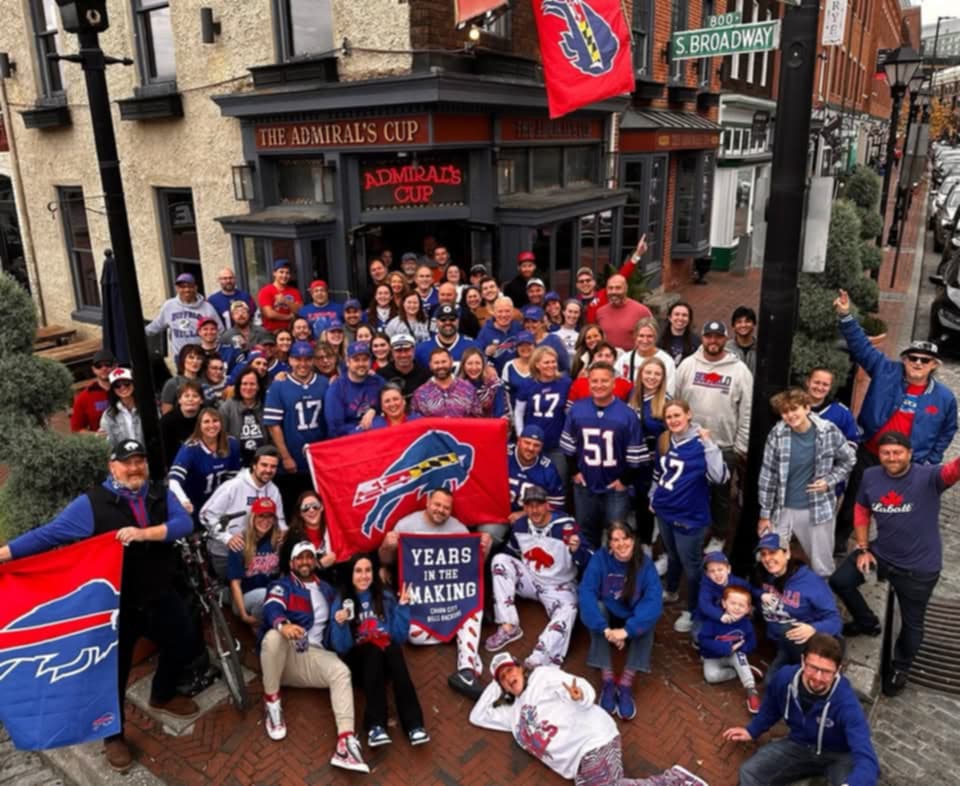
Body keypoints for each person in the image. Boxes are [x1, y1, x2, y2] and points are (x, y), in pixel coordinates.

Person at [0, 440, 202, 772]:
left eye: (140, 461)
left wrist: (144, 533)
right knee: (112, 675)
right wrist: (4, 555)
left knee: (185, 641)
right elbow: (47, 535)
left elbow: (184, 523)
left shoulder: (159, 493)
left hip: (161, 594)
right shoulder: (91, 505)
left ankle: (162, 694)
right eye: (127, 462)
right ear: (112, 467)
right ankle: (113, 735)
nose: (134, 468)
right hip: (115, 609)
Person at [829, 431, 960, 696]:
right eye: (886, 453)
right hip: (882, 556)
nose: (891, 458)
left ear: (909, 454)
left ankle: (901, 667)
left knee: (912, 624)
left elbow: (954, 469)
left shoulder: (930, 477)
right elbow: (862, 509)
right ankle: (867, 622)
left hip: (919, 570)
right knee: (840, 580)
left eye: (897, 453)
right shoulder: (871, 476)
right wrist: (864, 548)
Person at [832, 288, 957, 554]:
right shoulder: (886, 370)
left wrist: (930, 459)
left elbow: (948, 430)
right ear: (904, 359)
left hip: (907, 464)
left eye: (925, 360)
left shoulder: (945, 398)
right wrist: (846, 315)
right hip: (870, 452)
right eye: (913, 358)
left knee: (896, 507)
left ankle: (888, 552)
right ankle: (840, 539)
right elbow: (861, 346)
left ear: (934, 365)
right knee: (855, 497)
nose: (918, 363)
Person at [470, 652, 702, 786]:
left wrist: (580, 695)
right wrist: (495, 682)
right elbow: (478, 716)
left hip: (593, 741)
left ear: (521, 669)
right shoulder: (511, 716)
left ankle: (675, 781)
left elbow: (578, 687)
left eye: (510, 670)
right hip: (577, 767)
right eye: (503, 677)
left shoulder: (541, 677)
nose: (508, 676)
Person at [258, 542, 370, 773]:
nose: (305, 562)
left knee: (341, 672)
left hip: (314, 655)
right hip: (285, 656)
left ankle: (345, 744)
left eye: (309, 557)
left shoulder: (328, 590)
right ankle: (272, 704)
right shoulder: (282, 585)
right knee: (272, 636)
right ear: (292, 563)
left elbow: (355, 595)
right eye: (300, 558)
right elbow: (272, 607)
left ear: (315, 562)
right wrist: (283, 625)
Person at [722, 633, 880, 786]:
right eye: (813, 667)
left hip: (839, 756)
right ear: (803, 661)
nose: (818, 677)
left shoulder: (848, 705)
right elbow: (771, 708)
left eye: (826, 672)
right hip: (799, 745)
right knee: (750, 772)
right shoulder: (784, 678)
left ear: (838, 670)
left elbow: (867, 759)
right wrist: (752, 730)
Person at [377, 488, 490, 699]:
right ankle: (455, 633)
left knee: (474, 606)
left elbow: (472, 569)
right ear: (428, 502)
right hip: (419, 598)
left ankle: (466, 670)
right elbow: (386, 561)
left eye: (446, 507)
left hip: (450, 596)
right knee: (414, 636)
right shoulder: (406, 525)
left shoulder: (459, 529)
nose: (441, 510)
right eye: (437, 505)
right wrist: (387, 545)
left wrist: (484, 550)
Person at [330, 554, 430, 747]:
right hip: (359, 665)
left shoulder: (384, 596)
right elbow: (341, 647)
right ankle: (376, 725)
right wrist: (340, 624)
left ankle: (414, 725)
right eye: (358, 571)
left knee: (391, 647)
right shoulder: (343, 599)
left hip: (383, 662)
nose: (364, 576)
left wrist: (402, 607)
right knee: (372, 648)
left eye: (368, 570)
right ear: (350, 574)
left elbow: (399, 637)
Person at [486, 486, 589, 667]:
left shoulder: (566, 525)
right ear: (524, 507)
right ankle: (509, 626)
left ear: (547, 505)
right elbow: (510, 552)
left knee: (570, 608)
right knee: (500, 560)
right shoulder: (520, 525)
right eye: (529, 505)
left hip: (559, 585)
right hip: (531, 580)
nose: (534, 510)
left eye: (539, 505)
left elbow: (590, 557)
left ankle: (540, 657)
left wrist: (577, 549)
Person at [757, 388, 856, 576]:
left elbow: (849, 460)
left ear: (807, 408)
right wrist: (764, 514)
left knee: (822, 565)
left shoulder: (828, 431)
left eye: (794, 409)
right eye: (785, 412)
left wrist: (829, 480)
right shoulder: (777, 435)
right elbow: (767, 475)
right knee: (770, 559)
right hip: (782, 508)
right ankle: (776, 598)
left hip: (817, 508)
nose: (790, 415)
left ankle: (822, 600)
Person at [675, 319, 753, 552]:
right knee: (691, 491)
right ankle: (692, 531)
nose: (713, 341)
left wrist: (741, 446)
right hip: (691, 443)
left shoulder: (739, 371)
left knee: (721, 497)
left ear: (725, 340)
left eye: (718, 337)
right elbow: (675, 401)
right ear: (703, 338)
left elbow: (747, 410)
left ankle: (719, 535)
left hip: (724, 446)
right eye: (709, 336)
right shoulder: (688, 365)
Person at [652, 400, 729, 634]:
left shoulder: (700, 443)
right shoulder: (666, 440)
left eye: (677, 415)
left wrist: (709, 443)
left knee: (692, 564)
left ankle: (692, 609)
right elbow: (659, 473)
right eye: (669, 417)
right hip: (665, 509)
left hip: (690, 514)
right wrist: (652, 497)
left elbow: (720, 477)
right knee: (673, 555)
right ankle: (672, 590)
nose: (673, 420)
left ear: (688, 415)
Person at [578, 522, 662, 720]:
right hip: (608, 617)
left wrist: (628, 631)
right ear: (610, 544)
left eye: (625, 538)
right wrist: (606, 630)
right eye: (615, 540)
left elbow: (653, 600)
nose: (621, 544)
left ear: (633, 540)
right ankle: (607, 680)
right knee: (596, 609)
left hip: (631, 617)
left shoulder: (645, 564)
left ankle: (625, 683)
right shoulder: (600, 559)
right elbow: (587, 592)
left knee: (647, 621)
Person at [560, 362, 647, 548]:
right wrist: (575, 472)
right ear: (588, 383)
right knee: (585, 533)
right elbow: (569, 448)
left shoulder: (627, 415)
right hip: (585, 485)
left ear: (614, 383)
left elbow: (636, 456)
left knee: (616, 535)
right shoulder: (577, 410)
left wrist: (624, 480)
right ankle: (589, 572)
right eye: (595, 381)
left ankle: (614, 574)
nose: (599, 385)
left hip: (614, 488)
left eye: (604, 381)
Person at [753, 532, 842, 678]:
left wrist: (814, 629)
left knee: (774, 683)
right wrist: (759, 595)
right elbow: (753, 589)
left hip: (798, 644)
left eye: (773, 552)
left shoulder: (811, 583)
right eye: (763, 554)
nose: (768, 559)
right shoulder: (763, 573)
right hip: (774, 640)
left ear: (787, 553)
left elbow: (835, 621)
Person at [200, 446, 286, 579]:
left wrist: (283, 531)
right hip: (225, 552)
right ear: (254, 465)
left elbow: (279, 519)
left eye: (273, 466)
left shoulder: (273, 490)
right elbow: (206, 516)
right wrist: (227, 538)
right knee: (249, 587)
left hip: (255, 552)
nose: (268, 470)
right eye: (264, 465)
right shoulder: (233, 486)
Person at [264, 341, 329, 512]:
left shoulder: (324, 383)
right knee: (293, 507)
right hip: (292, 459)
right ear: (290, 360)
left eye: (307, 359)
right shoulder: (279, 386)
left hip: (318, 459)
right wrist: (285, 457)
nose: (302, 364)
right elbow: (273, 425)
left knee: (318, 506)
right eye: (297, 359)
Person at [168, 406, 242, 524]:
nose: (211, 425)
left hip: (218, 504)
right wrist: (184, 500)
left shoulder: (231, 444)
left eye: (215, 421)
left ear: (221, 423)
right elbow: (173, 480)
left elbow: (233, 479)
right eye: (206, 421)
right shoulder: (190, 448)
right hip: (194, 503)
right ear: (199, 425)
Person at [628, 357, 670, 558]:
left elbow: (668, 440)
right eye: (648, 372)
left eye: (657, 374)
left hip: (651, 464)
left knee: (648, 507)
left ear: (663, 378)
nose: (652, 377)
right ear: (640, 374)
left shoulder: (665, 403)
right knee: (633, 505)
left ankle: (650, 547)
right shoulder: (631, 396)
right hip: (629, 462)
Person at [697, 585, 760, 713]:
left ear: (748, 609)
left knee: (740, 657)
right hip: (713, 657)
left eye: (741, 605)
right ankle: (740, 671)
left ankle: (751, 691)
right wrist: (726, 648)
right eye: (733, 603)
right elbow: (703, 640)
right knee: (711, 677)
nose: (737, 607)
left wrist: (741, 647)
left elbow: (752, 642)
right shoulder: (714, 621)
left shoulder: (746, 624)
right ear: (724, 604)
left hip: (735, 654)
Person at [513, 346, 572, 475]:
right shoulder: (527, 384)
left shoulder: (565, 383)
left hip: (556, 443)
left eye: (553, 361)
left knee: (559, 479)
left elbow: (571, 412)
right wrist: (521, 435)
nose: (551, 365)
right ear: (537, 365)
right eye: (546, 362)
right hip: (532, 444)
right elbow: (518, 412)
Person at [228, 496, 282, 628]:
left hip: (271, 596)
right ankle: (258, 631)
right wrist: (243, 615)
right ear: (253, 518)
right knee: (265, 595)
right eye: (261, 516)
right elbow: (235, 583)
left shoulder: (277, 541)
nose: (265, 521)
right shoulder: (240, 542)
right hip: (243, 599)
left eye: (269, 516)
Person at [146, 272, 223, 359]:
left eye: (190, 286)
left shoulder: (207, 307)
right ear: (177, 288)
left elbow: (220, 331)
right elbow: (157, 325)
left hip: (201, 356)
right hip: (180, 357)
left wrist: (212, 349)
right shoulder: (169, 306)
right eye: (182, 287)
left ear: (196, 287)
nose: (186, 290)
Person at [576, 236, 646, 324]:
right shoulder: (574, 302)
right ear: (577, 285)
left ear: (594, 282)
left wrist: (637, 254)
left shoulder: (604, 294)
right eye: (581, 281)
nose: (585, 283)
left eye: (588, 280)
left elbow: (623, 274)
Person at [325, 341, 384, 436]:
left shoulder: (378, 382)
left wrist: (373, 410)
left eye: (365, 359)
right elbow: (335, 428)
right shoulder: (337, 388)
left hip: (377, 437)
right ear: (348, 362)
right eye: (356, 360)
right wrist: (362, 428)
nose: (361, 363)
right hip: (349, 441)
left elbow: (390, 410)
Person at [507, 425, 566, 518]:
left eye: (536, 445)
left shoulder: (548, 469)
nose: (531, 448)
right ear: (518, 441)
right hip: (498, 513)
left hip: (531, 518)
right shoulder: (502, 454)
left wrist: (525, 514)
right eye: (527, 442)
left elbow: (556, 504)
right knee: (491, 531)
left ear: (542, 447)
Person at [279, 490, 338, 578]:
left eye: (315, 506)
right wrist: (319, 565)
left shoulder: (333, 531)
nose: (311, 510)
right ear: (300, 513)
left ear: (322, 507)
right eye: (305, 508)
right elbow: (288, 570)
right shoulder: (293, 537)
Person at [411, 347, 482, 418]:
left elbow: (477, 418)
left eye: (444, 362)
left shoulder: (468, 388)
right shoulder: (420, 394)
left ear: (451, 362)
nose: (440, 366)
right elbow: (417, 423)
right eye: (436, 363)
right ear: (430, 365)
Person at [614, 317, 676, 396]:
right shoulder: (625, 359)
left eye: (649, 336)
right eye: (641, 336)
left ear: (656, 337)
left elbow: (669, 392)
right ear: (635, 336)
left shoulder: (666, 361)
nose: (645, 340)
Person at [219, 367, 267, 466]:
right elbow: (221, 437)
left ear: (258, 386)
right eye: (244, 383)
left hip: (263, 460)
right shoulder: (227, 407)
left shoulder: (267, 405)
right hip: (235, 460)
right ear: (238, 385)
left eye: (252, 384)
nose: (248, 388)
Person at [594, 274, 653, 351]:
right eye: (610, 288)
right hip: (606, 359)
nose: (613, 291)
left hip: (632, 360)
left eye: (618, 288)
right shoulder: (600, 312)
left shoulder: (642, 311)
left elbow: (652, 338)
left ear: (626, 289)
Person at [415, 304, 478, 370]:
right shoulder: (421, 349)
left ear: (458, 321)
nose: (448, 323)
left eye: (452, 319)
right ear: (436, 322)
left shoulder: (473, 346)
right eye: (443, 320)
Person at [159, 381, 204, 470]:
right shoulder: (166, 421)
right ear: (179, 400)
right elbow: (164, 454)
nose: (190, 399)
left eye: (195, 396)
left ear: (201, 400)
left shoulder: (207, 419)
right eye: (186, 396)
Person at [376, 333, 431, 402]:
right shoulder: (381, 375)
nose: (403, 355)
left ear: (413, 350)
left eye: (407, 350)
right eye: (398, 351)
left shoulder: (426, 375)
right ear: (392, 352)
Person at [70, 349, 116, 432]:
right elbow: (76, 429)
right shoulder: (84, 397)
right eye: (99, 366)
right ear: (93, 369)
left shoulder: (125, 389)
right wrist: (95, 436)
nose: (104, 368)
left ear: (115, 366)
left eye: (108, 364)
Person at [519, 305, 571, 375]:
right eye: (527, 322)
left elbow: (565, 367)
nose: (530, 325)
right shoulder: (521, 341)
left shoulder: (554, 340)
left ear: (542, 323)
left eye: (534, 321)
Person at [100, 367, 145, 446]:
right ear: (113, 390)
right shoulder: (108, 415)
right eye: (117, 385)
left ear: (133, 384)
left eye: (126, 383)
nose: (122, 387)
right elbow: (108, 445)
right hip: (123, 458)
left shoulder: (148, 407)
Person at [458, 346, 506, 418]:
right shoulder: (457, 388)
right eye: (469, 363)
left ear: (483, 365)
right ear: (463, 366)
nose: (474, 367)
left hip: (492, 426)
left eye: (478, 363)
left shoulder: (495, 386)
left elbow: (500, 415)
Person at [477, 296, 522, 372]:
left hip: (516, 374)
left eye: (507, 311)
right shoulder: (485, 332)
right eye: (500, 311)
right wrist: (486, 353)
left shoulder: (518, 327)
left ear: (512, 311)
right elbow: (477, 357)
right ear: (494, 313)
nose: (504, 315)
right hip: (495, 378)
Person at [257, 259, 302, 333]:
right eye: (281, 272)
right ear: (274, 273)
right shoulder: (265, 291)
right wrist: (289, 317)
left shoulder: (294, 291)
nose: (284, 275)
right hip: (272, 332)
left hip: (291, 332)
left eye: (287, 273)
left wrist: (286, 301)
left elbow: (299, 311)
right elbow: (269, 314)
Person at [160, 343, 206, 414]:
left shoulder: (206, 382)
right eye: (191, 357)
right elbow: (166, 413)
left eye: (199, 358)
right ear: (183, 359)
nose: (195, 361)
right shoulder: (172, 383)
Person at [500, 330, 534, 415]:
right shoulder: (509, 366)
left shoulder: (540, 365)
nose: (525, 348)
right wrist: (509, 414)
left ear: (534, 346)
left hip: (535, 415)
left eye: (528, 344)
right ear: (517, 347)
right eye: (521, 345)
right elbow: (504, 394)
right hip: (514, 414)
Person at [657, 301, 700, 366]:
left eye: (684, 315)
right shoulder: (658, 340)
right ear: (670, 318)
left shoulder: (696, 342)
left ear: (689, 319)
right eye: (677, 314)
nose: (680, 318)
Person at [725, 305, 758, 374]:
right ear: (733, 326)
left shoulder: (762, 348)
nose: (743, 325)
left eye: (747, 321)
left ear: (754, 324)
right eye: (739, 322)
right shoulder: (726, 349)